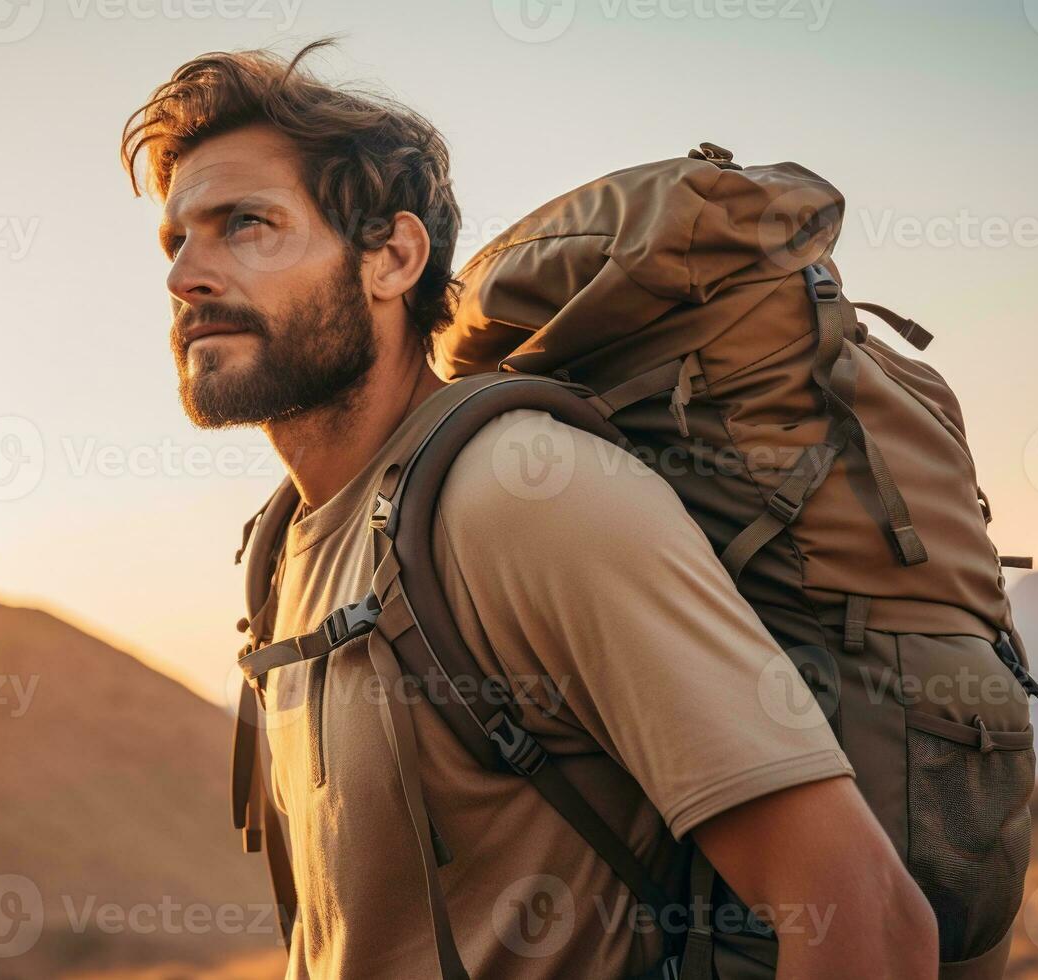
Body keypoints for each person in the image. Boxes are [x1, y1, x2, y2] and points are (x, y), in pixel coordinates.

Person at [121, 39, 938, 979]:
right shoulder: (287, 548)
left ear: (392, 258)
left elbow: (864, 919)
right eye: (176, 240)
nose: (187, 276)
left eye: (247, 224)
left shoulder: (520, 494)